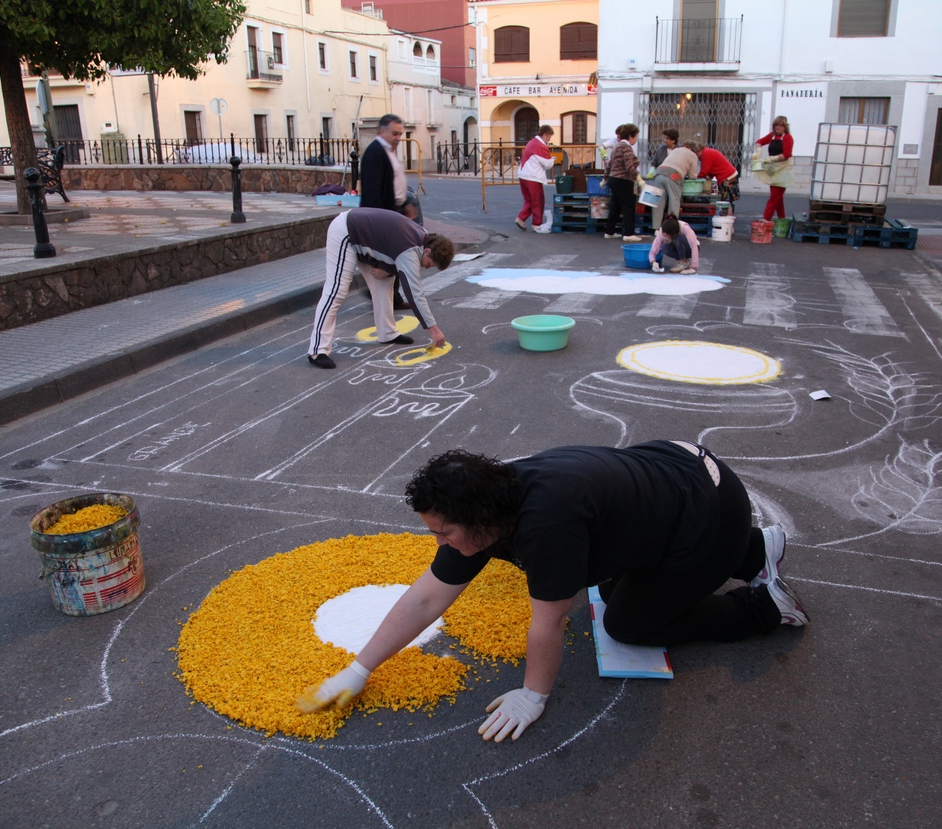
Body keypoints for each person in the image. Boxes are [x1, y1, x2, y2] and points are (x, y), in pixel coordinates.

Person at [298, 440, 807, 742]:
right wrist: (360, 668)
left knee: (627, 623)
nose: (440, 542)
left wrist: (532, 696)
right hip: (686, 473)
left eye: (443, 532)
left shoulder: (545, 524)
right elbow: (428, 596)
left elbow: (549, 620)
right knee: (609, 579)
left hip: (712, 512)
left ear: (478, 521)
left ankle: (763, 605)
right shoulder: (485, 501)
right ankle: (754, 550)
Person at [306, 207, 453, 369]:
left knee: (384, 282)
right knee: (336, 291)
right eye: (430, 264)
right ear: (427, 251)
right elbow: (414, 293)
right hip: (346, 231)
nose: (426, 268)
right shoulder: (410, 249)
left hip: (366, 239)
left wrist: (387, 269)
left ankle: (387, 333)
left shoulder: (423, 237)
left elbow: (391, 249)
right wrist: (434, 330)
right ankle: (317, 350)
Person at [360, 114, 418, 309]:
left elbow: (393, 181)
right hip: (383, 214)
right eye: (395, 133)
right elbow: (372, 190)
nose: (398, 137)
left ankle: (392, 297)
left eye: (400, 133)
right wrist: (384, 218)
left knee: (394, 254)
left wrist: (404, 204)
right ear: (382, 131)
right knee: (390, 255)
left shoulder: (387, 150)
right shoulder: (375, 153)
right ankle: (383, 296)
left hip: (394, 209)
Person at [602, 123, 642, 242]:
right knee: (628, 205)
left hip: (614, 179)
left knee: (616, 206)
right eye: (636, 137)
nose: (636, 139)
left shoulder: (616, 146)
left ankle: (609, 231)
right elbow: (629, 166)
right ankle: (629, 233)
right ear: (630, 136)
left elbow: (609, 164)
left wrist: (605, 178)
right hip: (624, 180)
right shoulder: (626, 147)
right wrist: (639, 179)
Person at [651, 141, 701, 230]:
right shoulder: (693, 155)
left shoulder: (676, 150)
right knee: (674, 202)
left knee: (658, 202)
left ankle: (656, 228)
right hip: (674, 175)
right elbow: (693, 175)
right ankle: (670, 228)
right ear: (694, 149)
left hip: (659, 173)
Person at [515, 125, 556, 232]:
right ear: (545, 134)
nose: (549, 139)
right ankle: (536, 224)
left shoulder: (531, 142)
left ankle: (521, 218)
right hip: (533, 177)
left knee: (529, 200)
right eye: (549, 137)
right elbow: (548, 164)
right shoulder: (540, 146)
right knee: (538, 201)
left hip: (523, 175)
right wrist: (553, 159)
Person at [756, 116, 795, 222]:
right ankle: (782, 221)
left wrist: (773, 158)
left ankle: (766, 219)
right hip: (773, 169)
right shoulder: (772, 136)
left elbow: (787, 154)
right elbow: (759, 141)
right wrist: (759, 151)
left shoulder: (787, 138)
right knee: (778, 197)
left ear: (785, 127)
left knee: (775, 197)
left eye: (781, 125)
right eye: (776, 125)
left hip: (783, 170)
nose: (778, 127)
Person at [697, 145, 740, 210]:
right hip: (729, 175)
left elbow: (704, 172)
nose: (697, 157)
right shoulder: (707, 152)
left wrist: (696, 179)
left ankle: (727, 218)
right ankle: (727, 216)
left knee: (726, 201)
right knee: (726, 200)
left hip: (727, 177)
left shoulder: (706, 154)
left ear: (699, 150)